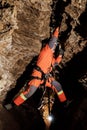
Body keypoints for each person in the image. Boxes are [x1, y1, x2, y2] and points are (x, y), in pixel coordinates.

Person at [5, 27, 70, 110]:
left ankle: (64, 102)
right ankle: (12, 104)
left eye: (55, 46)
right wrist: (57, 30)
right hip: (37, 75)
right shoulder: (46, 51)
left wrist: (60, 55)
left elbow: (55, 63)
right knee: (30, 92)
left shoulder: (52, 57)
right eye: (54, 46)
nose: (54, 47)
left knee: (57, 85)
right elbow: (53, 40)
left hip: (46, 77)